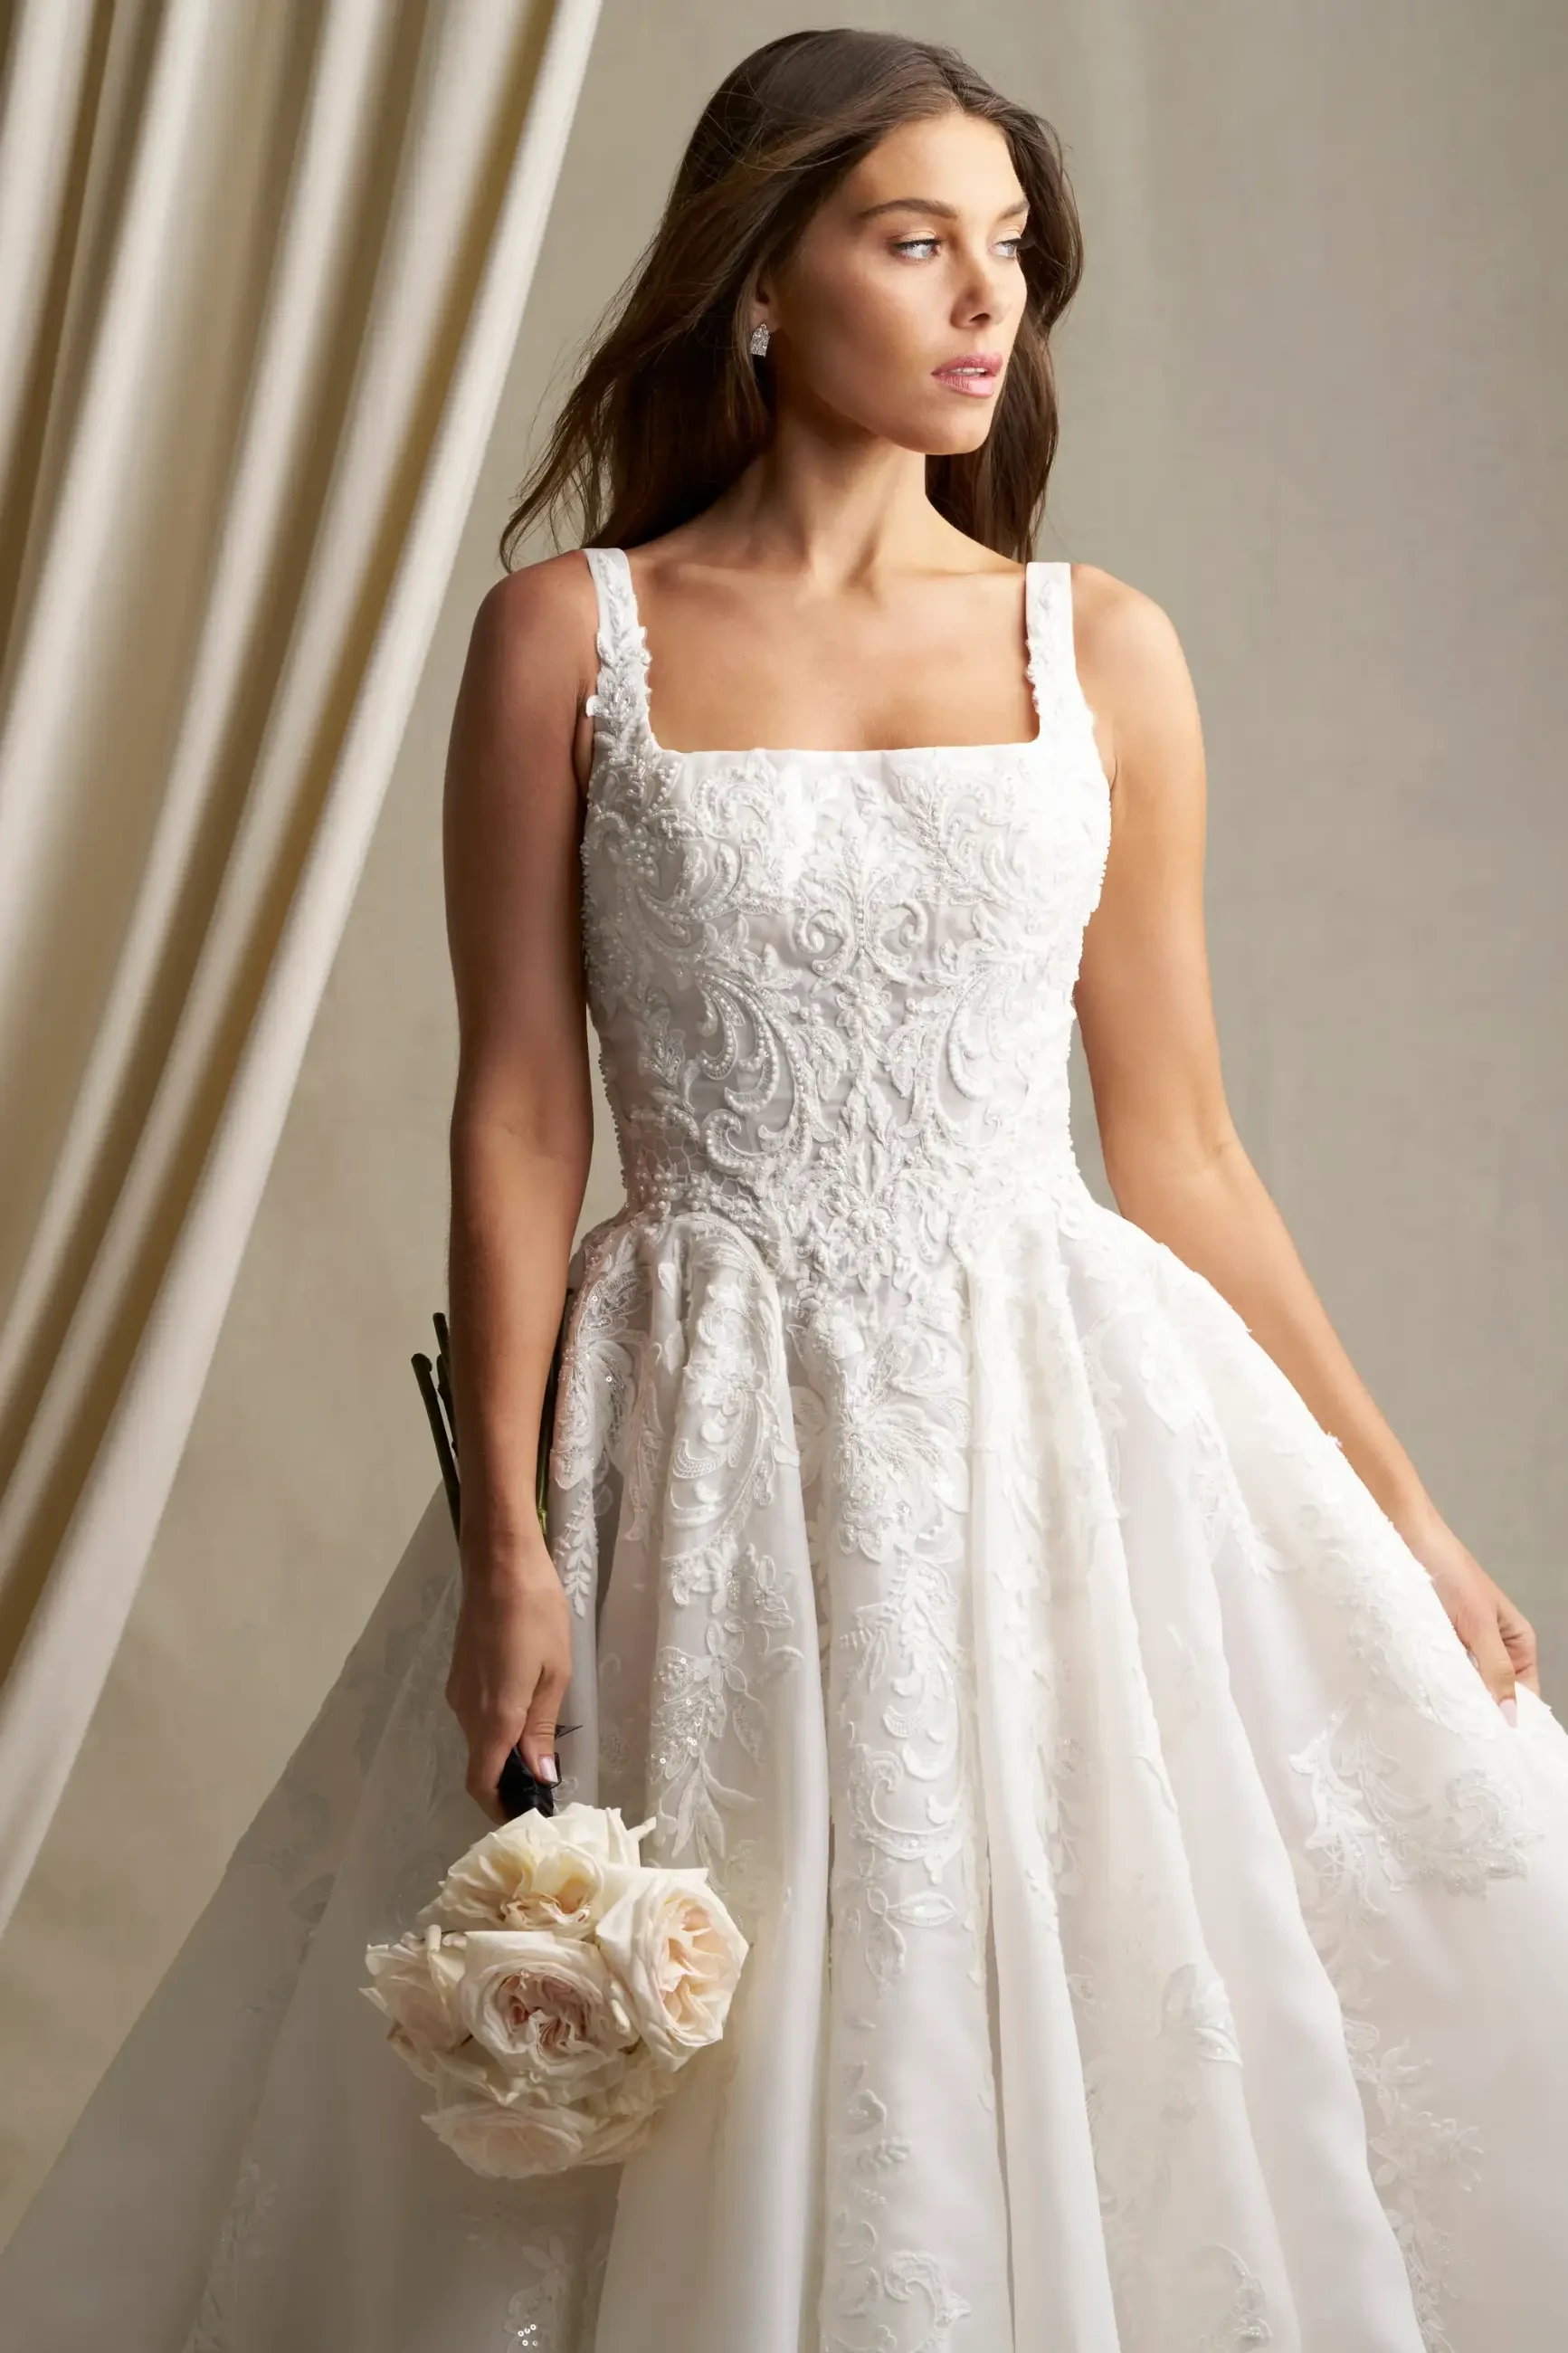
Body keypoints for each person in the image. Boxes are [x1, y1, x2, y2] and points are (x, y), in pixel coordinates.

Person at [4, 27, 1566, 2353]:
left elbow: (1183, 1145)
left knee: (1088, 2003)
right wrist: (517, 1545)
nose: (982, 306)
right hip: (689, 1432)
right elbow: (519, 1115)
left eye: (1010, 255)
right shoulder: (573, 637)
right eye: (914, 240)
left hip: (1048, 1428)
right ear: (757, 280)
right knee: (708, 2040)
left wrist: (1408, 1512)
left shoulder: (1097, 652)